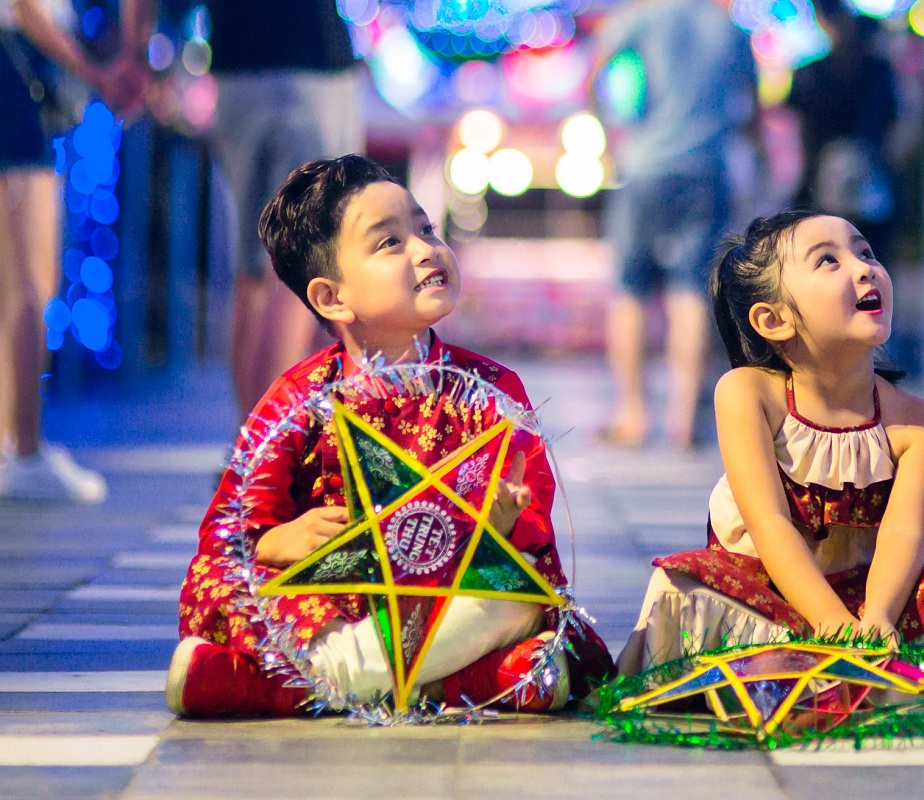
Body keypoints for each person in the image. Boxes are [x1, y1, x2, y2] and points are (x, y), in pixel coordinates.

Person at [166, 155, 614, 717]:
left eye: (426, 229)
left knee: (522, 602)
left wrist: (504, 526)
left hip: (451, 595)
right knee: (227, 588)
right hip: (335, 602)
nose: (427, 248)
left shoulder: (492, 390)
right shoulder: (298, 399)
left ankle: (292, 686)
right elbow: (231, 531)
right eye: (390, 243)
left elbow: (532, 525)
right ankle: (442, 684)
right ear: (332, 298)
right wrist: (280, 542)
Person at [617, 209, 924, 712]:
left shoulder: (919, 424)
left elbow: (904, 537)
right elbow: (769, 523)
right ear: (773, 319)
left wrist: (876, 618)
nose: (863, 268)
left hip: (868, 597)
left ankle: (844, 673)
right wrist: (830, 625)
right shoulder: (746, 393)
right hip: (760, 590)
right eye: (828, 261)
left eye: (866, 252)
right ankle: (829, 673)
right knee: (678, 583)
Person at [593, 0, 759, 449]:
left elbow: (597, 69)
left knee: (631, 290)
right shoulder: (730, 30)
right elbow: (752, 106)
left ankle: (632, 416)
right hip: (708, 170)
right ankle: (683, 419)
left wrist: (609, 127)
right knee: (691, 292)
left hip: (645, 166)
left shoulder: (641, 17)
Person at [0, 0, 145, 502]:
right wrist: (97, 74)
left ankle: (10, 444)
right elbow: (27, 9)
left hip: (14, 68)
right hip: (16, 71)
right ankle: (25, 450)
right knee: (29, 281)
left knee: (15, 283)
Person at [204, 0, 365, 420]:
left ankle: (249, 452)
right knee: (306, 267)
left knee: (254, 268)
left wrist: (135, 49)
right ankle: (271, 456)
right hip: (309, 64)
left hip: (234, 72)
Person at [785, 0, 898, 259]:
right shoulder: (878, 71)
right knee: (873, 258)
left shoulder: (809, 73)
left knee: (824, 258)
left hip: (826, 183)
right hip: (872, 180)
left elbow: (801, 133)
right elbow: (894, 125)